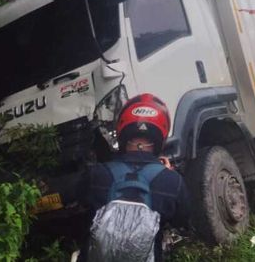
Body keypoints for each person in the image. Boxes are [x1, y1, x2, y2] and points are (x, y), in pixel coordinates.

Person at [78, 93, 191, 262]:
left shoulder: (96, 174)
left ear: (122, 131)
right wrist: (166, 177)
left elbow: (78, 206)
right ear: (162, 135)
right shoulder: (173, 181)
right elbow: (183, 220)